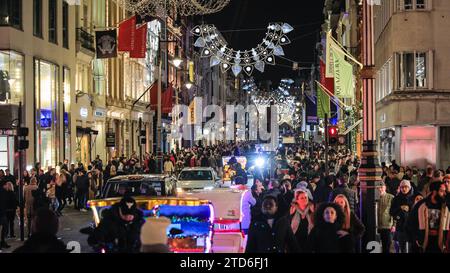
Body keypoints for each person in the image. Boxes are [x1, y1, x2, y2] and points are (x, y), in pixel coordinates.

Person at [407, 181, 450, 253]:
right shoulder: (421, 204)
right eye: (442, 191)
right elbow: (411, 222)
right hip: (424, 241)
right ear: (434, 192)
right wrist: (416, 238)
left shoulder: (444, 206)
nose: (444, 194)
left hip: (439, 242)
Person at [390, 180, 414, 253]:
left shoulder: (414, 198)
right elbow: (391, 212)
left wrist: (410, 208)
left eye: (406, 187)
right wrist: (400, 208)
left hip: (411, 227)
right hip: (400, 226)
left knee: (411, 248)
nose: (404, 189)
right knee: (402, 248)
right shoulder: (396, 198)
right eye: (402, 187)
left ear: (409, 188)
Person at [377, 181, 395, 253]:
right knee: (376, 248)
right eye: (378, 188)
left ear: (385, 188)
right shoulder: (374, 197)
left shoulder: (391, 197)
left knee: (386, 247)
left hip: (387, 226)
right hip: (376, 226)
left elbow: (394, 212)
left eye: (381, 187)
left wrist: (394, 225)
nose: (380, 189)